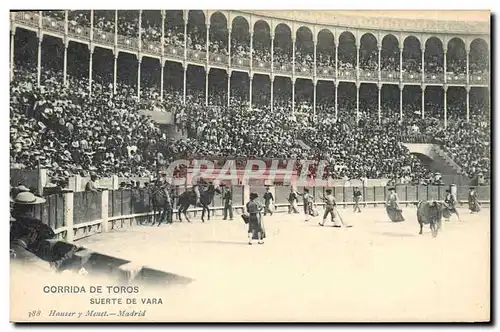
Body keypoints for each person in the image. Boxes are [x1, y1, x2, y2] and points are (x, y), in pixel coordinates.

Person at [10, 192, 54, 270]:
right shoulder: (33, 222)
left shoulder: (12, 217)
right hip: (26, 253)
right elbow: (50, 233)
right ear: (31, 207)